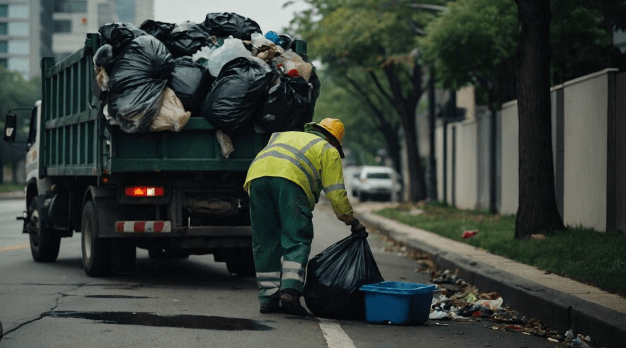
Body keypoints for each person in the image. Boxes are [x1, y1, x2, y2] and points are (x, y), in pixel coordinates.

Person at [243, 118, 367, 316]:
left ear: (316, 128)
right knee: (296, 238)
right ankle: (290, 293)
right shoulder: (327, 149)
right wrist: (351, 220)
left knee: (265, 241)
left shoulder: (282, 135)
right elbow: (335, 192)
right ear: (335, 140)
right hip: (290, 181)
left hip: (255, 179)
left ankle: (268, 298)